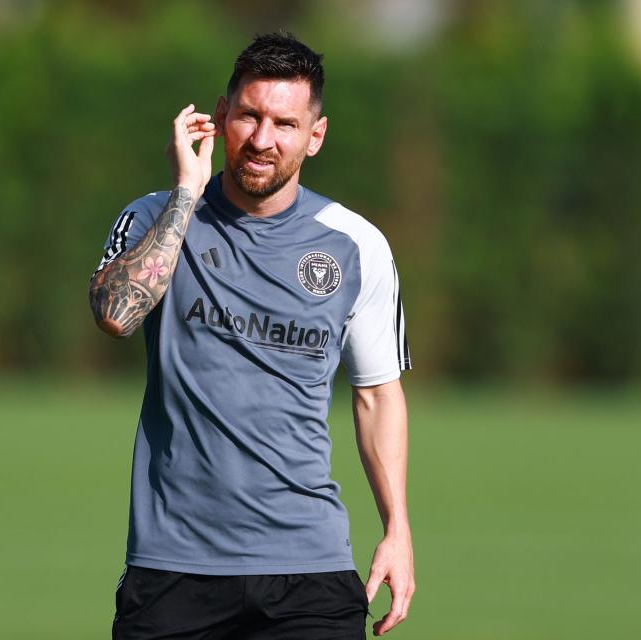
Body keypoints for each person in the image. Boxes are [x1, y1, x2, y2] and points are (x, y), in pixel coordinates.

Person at [89, 33, 413, 639]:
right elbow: (115, 313)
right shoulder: (153, 216)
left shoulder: (357, 245)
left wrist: (397, 529)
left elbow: (376, 394)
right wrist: (187, 191)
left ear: (314, 136)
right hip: (173, 569)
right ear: (220, 116)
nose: (263, 140)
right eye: (249, 116)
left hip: (310, 575)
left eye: (285, 124)